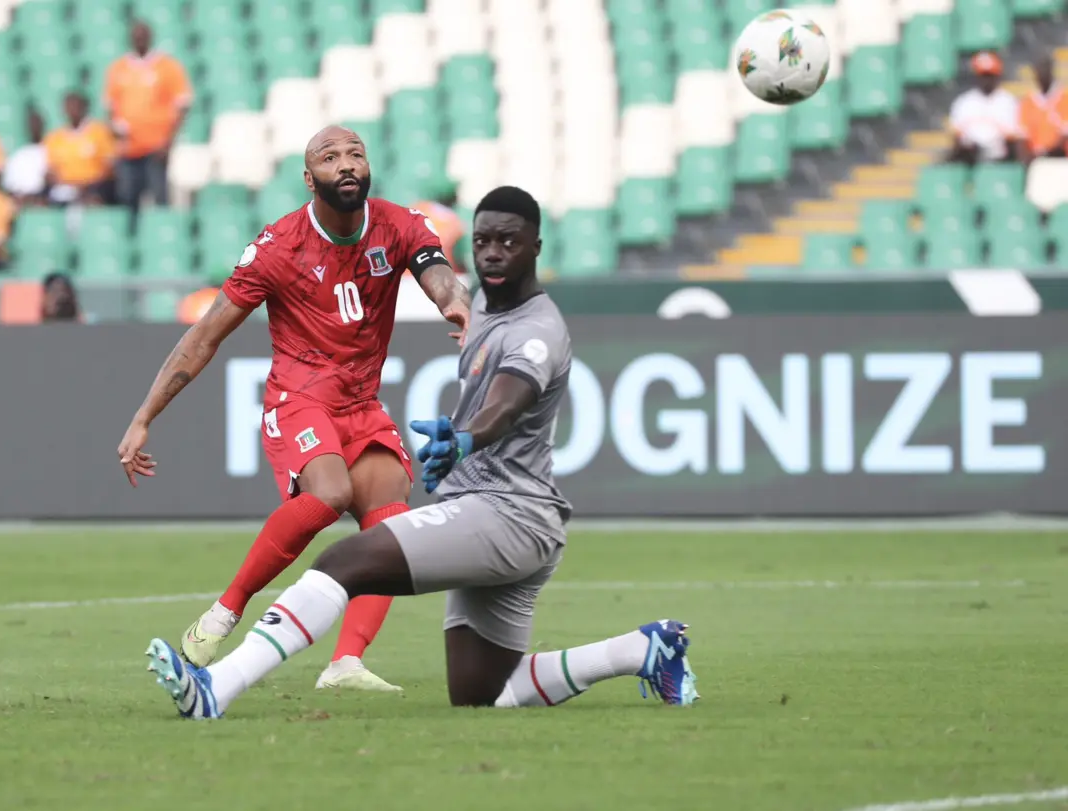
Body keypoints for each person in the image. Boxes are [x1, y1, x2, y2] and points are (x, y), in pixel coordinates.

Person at [142, 186, 699, 718]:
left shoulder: (538, 330)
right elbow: (447, 289)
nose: (493, 252)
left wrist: (466, 439)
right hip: (510, 515)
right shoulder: (489, 306)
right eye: (483, 241)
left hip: (508, 512)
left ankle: (218, 687)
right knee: (481, 690)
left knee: (342, 563)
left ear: (536, 248)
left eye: (509, 241)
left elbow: (509, 398)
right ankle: (642, 650)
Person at [117, 125, 473, 692]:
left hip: (361, 402)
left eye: (356, 153)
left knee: (391, 524)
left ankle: (345, 663)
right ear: (310, 179)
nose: (347, 164)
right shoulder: (279, 247)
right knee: (330, 494)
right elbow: (206, 335)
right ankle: (223, 614)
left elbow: (441, 280)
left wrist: (460, 311)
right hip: (299, 398)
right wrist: (144, 416)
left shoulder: (400, 226)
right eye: (331, 158)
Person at [105, 20, 192, 211]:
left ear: (150, 37)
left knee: (160, 199)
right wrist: (114, 129)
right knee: (128, 199)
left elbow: (182, 105)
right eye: (136, 35)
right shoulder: (118, 68)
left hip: (156, 147)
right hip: (128, 148)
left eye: (142, 35)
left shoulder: (167, 67)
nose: (139, 39)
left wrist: (169, 141)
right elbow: (110, 107)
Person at [45, 92, 117, 206]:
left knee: (94, 199)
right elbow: (50, 169)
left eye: (75, 106)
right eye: (68, 106)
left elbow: (109, 166)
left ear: (84, 107)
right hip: (65, 187)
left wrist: (84, 185)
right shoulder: (55, 138)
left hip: (94, 187)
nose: (72, 110)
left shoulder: (99, 132)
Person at [949, 51, 1020, 165]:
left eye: (990, 75)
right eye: (983, 75)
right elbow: (957, 139)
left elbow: (1012, 140)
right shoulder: (964, 102)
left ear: (997, 76)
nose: (986, 80)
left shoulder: (1008, 101)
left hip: (999, 160)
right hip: (969, 159)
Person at [1017, 53, 1068, 164]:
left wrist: (1046, 153)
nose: (1042, 73)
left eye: (1045, 68)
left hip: (1060, 160)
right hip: (1035, 160)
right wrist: (1028, 158)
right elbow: (1022, 137)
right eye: (1039, 69)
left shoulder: (1064, 99)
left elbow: (1064, 135)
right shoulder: (1028, 102)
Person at [1, 106, 49, 207]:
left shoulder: (50, 152)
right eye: (32, 123)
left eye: (37, 123)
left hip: (43, 200)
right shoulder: (18, 155)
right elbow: (9, 186)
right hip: (20, 201)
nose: (34, 126)